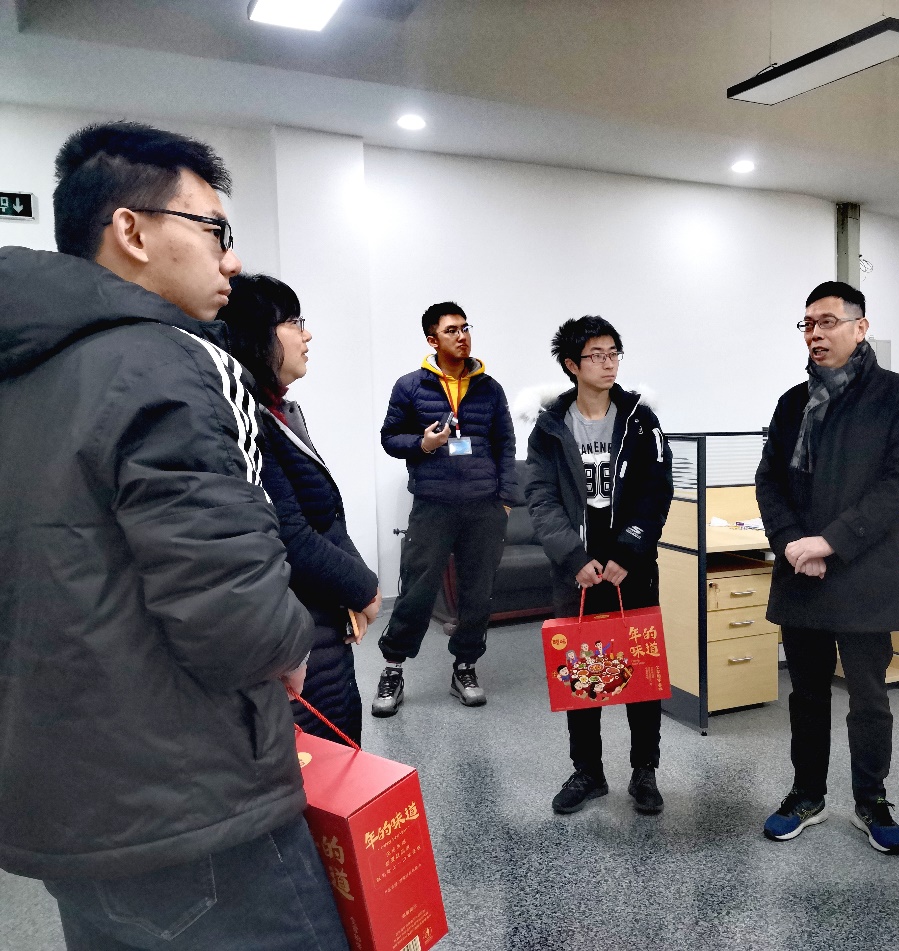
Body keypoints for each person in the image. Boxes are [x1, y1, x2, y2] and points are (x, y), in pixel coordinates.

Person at [0, 122, 348, 950]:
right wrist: (291, 643)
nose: (230, 259)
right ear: (131, 230)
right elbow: (235, 613)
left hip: (68, 801)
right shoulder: (169, 361)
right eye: (214, 229)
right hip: (193, 804)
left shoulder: (23, 370)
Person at [755, 280, 899, 853]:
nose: (815, 334)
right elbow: (769, 480)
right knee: (806, 695)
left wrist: (828, 543)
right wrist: (791, 544)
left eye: (828, 321)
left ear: (861, 327)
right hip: (801, 573)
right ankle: (807, 794)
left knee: (869, 697)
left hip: (863, 571)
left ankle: (871, 799)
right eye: (807, 324)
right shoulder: (792, 403)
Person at [219, 273, 382, 746]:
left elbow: (326, 515)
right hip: (296, 620)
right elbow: (289, 533)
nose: (306, 335)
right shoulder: (246, 419)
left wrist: (354, 583)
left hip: (324, 615)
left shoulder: (283, 412)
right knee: (317, 756)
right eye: (293, 322)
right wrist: (366, 589)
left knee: (340, 740)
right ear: (257, 335)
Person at [525, 315, 673, 815]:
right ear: (572, 365)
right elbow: (541, 497)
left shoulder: (640, 419)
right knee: (581, 672)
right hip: (577, 571)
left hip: (632, 566)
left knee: (641, 671)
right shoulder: (550, 427)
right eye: (596, 355)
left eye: (614, 353)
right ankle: (588, 771)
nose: (609, 364)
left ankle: (645, 770)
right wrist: (573, 556)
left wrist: (628, 551)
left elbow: (656, 490)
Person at [375, 301, 517, 713]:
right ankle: (393, 669)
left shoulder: (490, 388)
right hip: (433, 505)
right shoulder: (410, 386)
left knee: (478, 593)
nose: (462, 336)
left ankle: (465, 667)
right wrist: (422, 444)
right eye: (452, 330)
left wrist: (506, 500)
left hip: (484, 508)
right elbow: (389, 438)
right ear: (432, 340)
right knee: (417, 589)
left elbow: (505, 444)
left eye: (465, 328)